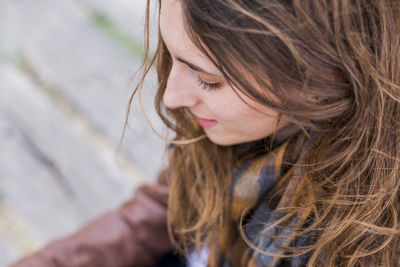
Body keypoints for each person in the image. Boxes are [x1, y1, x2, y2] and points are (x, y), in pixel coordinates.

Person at [11, 0, 400, 266]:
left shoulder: (371, 242)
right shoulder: (242, 131)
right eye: (170, 55)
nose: (171, 96)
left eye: (208, 80)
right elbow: (167, 209)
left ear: (320, 78)